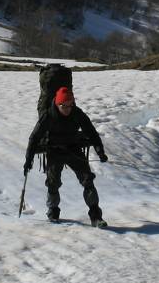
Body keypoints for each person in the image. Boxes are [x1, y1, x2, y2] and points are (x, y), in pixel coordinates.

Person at [25, 86, 108, 227]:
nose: (68, 109)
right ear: (58, 104)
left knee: (87, 180)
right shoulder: (48, 115)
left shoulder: (77, 113)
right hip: (54, 151)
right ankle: (53, 210)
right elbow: (34, 137)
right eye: (64, 106)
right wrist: (29, 159)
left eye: (70, 105)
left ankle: (96, 216)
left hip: (73, 149)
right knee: (53, 182)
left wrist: (100, 151)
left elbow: (91, 132)